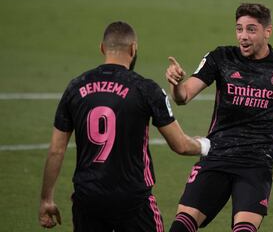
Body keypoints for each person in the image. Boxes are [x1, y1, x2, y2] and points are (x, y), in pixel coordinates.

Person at [165, 3, 273, 232]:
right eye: (239, 29)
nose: (243, 36)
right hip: (216, 155)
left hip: (256, 163)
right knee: (180, 227)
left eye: (251, 29)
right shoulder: (221, 58)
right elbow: (183, 96)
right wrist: (176, 84)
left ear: (267, 32)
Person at [38, 21, 210, 232]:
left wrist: (46, 199)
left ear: (102, 48)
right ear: (133, 48)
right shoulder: (146, 89)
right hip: (133, 200)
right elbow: (181, 145)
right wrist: (206, 146)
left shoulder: (76, 87)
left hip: (88, 198)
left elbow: (56, 150)